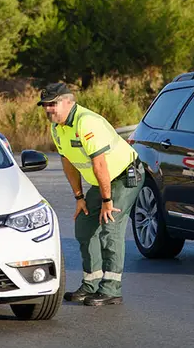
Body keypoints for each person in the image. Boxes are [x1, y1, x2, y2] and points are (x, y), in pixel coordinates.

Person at [38, 82, 144, 306]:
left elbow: (100, 165)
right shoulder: (57, 127)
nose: (48, 109)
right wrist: (79, 198)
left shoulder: (86, 123)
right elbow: (68, 163)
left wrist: (107, 202)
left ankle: (111, 289)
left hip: (124, 175)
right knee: (85, 226)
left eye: (53, 104)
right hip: (103, 180)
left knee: (110, 227)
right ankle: (91, 284)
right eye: (45, 105)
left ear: (69, 102)